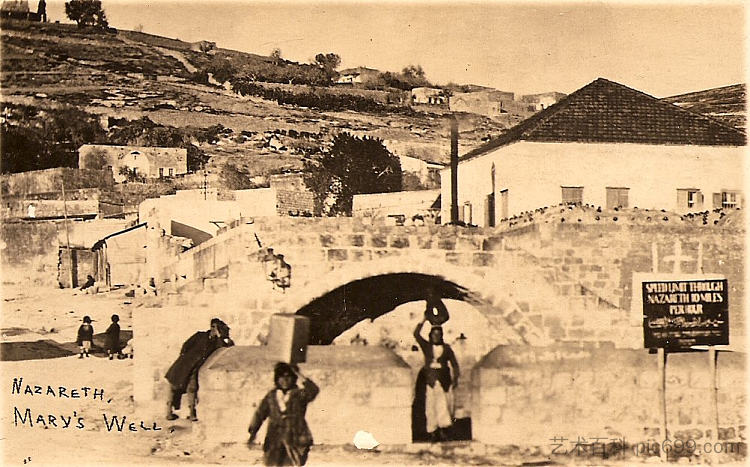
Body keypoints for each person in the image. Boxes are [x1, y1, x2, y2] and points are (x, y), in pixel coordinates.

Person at [248, 362, 319, 466]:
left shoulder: (299, 394)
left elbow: (313, 390)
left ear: (293, 378)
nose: (285, 380)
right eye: (281, 377)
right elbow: (260, 414)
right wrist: (253, 432)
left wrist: (298, 373)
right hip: (274, 440)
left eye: (288, 376)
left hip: (295, 438)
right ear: (277, 379)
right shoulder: (271, 396)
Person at [164, 318, 234, 421]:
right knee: (173, 387)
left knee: (192, 388)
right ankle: (168, 413)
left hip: (194, 368)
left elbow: (222, 349)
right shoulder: (200, 335)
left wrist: (219, 337)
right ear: (211, 327)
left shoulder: (216, 342)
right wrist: (185, 358)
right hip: (184, 364)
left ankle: (192, 414)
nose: (217, 331)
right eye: (216, 328)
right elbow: (186, 345)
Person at [413, 318, 460, 442]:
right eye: (434, 334)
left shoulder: (447, 348)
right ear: (430, 335)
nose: (436, 337)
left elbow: (455, 364)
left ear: (442, 336)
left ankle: (444, 431)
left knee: (443, 406)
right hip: (431, 382)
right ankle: (432, 432)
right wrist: (423, 320)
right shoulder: (426, 347)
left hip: (444, 381)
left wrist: (455, 379)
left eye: (439, 334)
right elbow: (416, 334)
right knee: (430, 407)